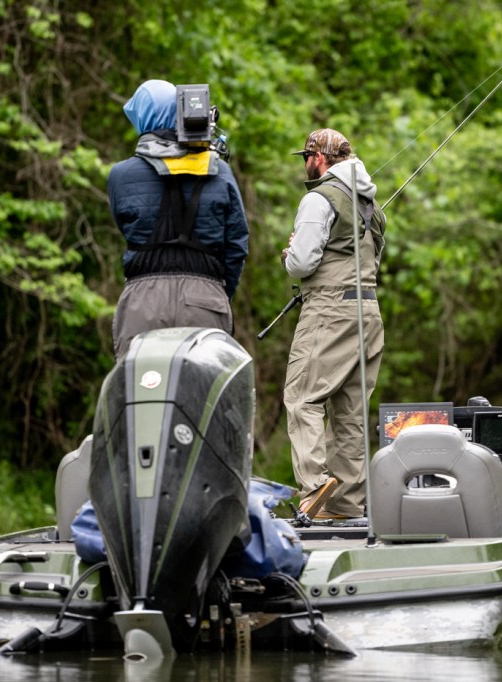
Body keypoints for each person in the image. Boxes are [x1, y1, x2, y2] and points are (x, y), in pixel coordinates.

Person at [281, 128, 386, 520]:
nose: (305, 165)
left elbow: (302, 263)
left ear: (319, 159)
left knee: (302, 398)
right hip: (369, 312)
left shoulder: (318, 198)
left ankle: (314, 487)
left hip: (329, 309)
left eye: (306, 158)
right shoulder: (373, 207)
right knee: (351, 412)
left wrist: (288, 255)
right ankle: (345, 504)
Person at [107, 79, 249, 358]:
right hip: (206, 301)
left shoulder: (120, 175)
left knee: (142, 383)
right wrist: (217, 293)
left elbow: (124, 228)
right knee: (204, 384)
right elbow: (237, 246)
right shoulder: (219, 171)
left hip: (142, 302)